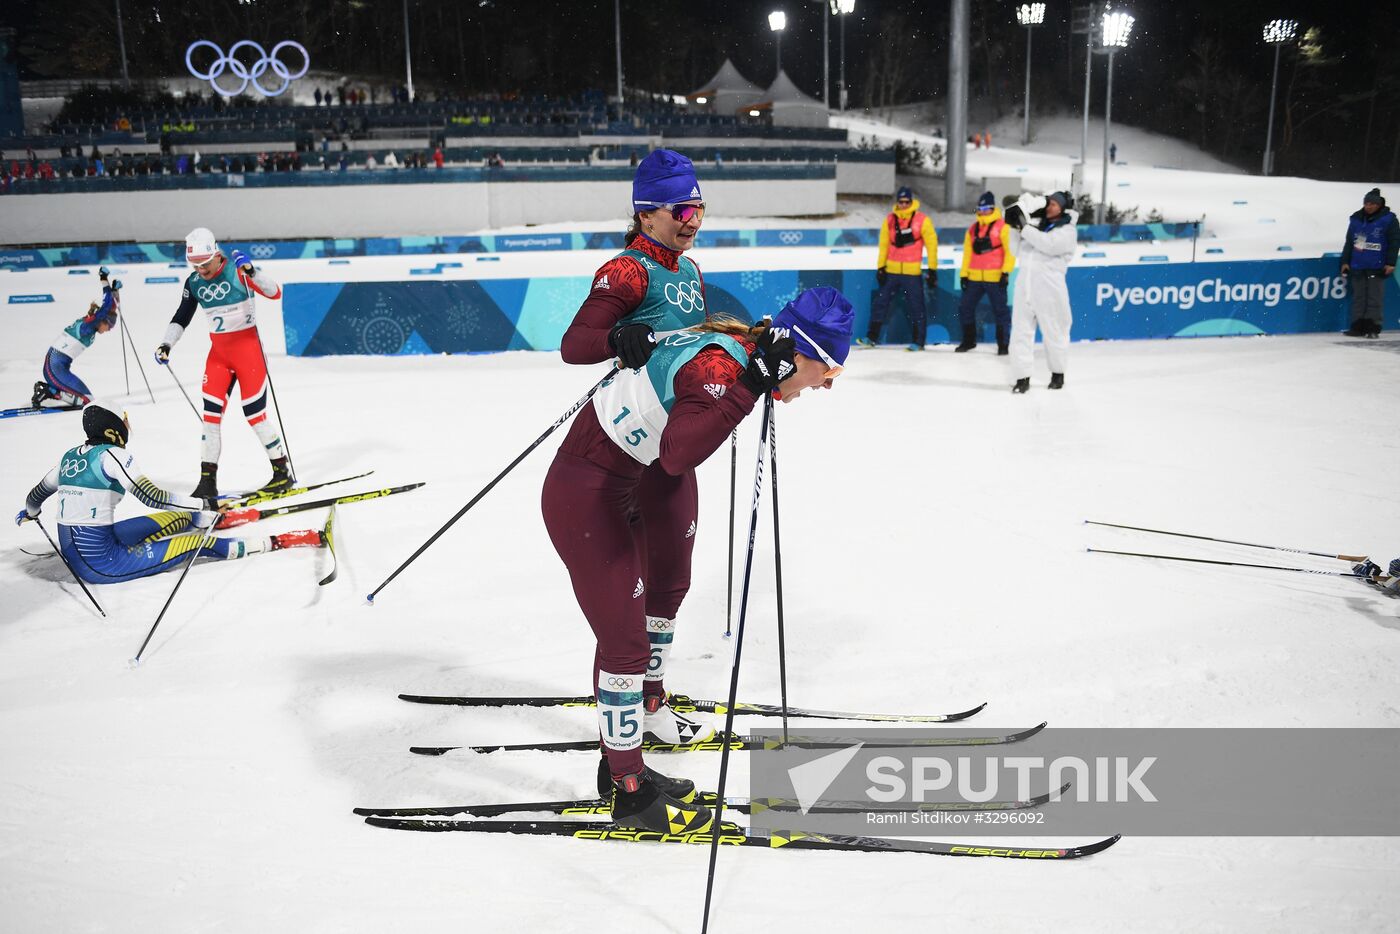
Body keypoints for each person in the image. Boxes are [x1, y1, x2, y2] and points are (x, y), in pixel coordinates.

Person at [542, 287, 853, 833]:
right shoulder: (724, 367)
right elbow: (679, 452)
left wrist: (754, 383)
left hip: (624, 486)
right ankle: (629, 794)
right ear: (797, 355)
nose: (826, 385)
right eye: (827, 370)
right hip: (585, 494)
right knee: (624, 643)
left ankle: (620, 765)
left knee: (635, 626)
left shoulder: (737, 354)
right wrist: (751, 387)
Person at [557, 149, 711, 756]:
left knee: (672, 583)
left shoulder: (690, 271)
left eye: (698, 206)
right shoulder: (626, 271)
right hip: (624, 449)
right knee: (630, 595)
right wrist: (617, 338)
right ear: (647, 215)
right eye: (681, 209)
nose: (692, 219)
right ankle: (625, 723)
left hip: (670, 453)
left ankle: (652, 697)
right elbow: (575, 345)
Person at [15, 402, 324, 585]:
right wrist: (204, 500)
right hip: (101, 563)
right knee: (193, 543)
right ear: (113, 431)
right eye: (124, 423)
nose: (127, 429)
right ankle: (280, 541)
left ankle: (216, 518)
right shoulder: (113, 455)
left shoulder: (70, 455)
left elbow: (37, 494)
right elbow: (151, 496)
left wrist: (30, 513)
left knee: (177, 518)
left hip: (87, 547)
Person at [154, 228, 291, 499]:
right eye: (196, 265)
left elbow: (275, 293)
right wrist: (166, 343)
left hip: (248, 354)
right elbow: (181, 316)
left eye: (205, 264)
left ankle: (281, 473)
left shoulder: (237, 271)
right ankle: (207, 482)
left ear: (217, 254)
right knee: (210, 421)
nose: (201, 270)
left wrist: (252, 272)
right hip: (219, 357)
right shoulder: (193, 282)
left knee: (255, 416)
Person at [1003, 190, 1078, 393]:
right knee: (1020, 333)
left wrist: (1024, 227)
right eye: (1049, 203)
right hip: (1025, 288)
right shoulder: (1036, 226)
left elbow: (1049, 245)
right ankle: (1022, 378)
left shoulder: (1067, 231)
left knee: (1055, 332)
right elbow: (1015, 250)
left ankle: (1058, 373)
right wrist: (1014, 227)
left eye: (1055, 204)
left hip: (1050, 289)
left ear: (1063, 208)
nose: (1050, 206)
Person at [857, 186, 937, 351]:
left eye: (906, 201)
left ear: (911, 201)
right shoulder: (890, 220)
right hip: (892, 271)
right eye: (900, 202)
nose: (903, 205)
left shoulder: (922, 220)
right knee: (880, 304)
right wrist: (881, 267)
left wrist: (932, 269)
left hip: (912, 272)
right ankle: (871, 338)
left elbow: (932, 246)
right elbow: (884, 244)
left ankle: (919, 341)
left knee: (917, 307)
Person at [32, 268, 120, 409]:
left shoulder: (91, 323)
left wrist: (115, 291)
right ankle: (49, 391)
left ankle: (51, 390)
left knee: (89, 400)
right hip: (54, 367)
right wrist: (104, 278)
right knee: (87, 402)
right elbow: (107, 304)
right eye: (109, 325)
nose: (109, 329)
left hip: (58, 367)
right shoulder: (88, 325)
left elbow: (111, 308)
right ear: (102, 320)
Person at [956, 191, 1016, 354]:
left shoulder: (1003, 227)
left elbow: (1010, 252)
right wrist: (964, 274)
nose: (982, 211)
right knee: (965, 308)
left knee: (1000, 311)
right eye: (980, 208)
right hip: (974, 277)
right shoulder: (973, 229)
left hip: (995, 277)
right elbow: (967, 253)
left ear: (992, 208)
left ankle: (1003, 344)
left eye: (986, 208)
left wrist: (1005, 272)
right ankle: (969, 341)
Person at [1339, 188, 1399, 338]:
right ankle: (1357, 327)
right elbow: (1349, 243)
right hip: (1358, 265)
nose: (1369, 206)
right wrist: (1345, 261)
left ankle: (1372, 327)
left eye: (1372, 204)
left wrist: (1390, 262)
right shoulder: (1357, 219)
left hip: (1377, 266)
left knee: (1374, 298)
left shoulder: (1389, 220)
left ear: (1379, 205)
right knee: (1359, 297)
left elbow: (1394, 242)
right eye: (1366, 203)